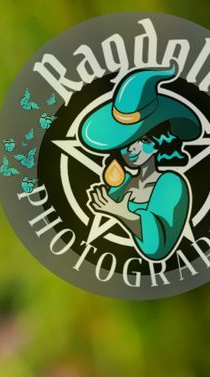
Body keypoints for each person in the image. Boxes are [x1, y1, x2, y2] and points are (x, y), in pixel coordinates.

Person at [79, 64, 201, 261]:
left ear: (159, 141)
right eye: (125, 142)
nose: (131, 149)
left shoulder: (171, 183)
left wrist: (121, 213)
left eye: (143, 140)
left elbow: (157, 248)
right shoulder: (123, 184)